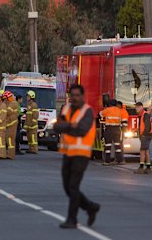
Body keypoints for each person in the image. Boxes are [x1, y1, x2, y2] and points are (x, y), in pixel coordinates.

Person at [53, 85, 100, 229]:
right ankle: (91, 207)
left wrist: (66, 127)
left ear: (83, 96)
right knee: (68, 188)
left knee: (73, 186)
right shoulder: (66, 109)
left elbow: (82, 130)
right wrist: (70, 125)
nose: (75, 98)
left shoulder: (87, 111)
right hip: (67, 153)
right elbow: (56, 127)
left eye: (77, 95)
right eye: (72, 95)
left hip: (81, 154)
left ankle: (72, 219)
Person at [99, 99, 124, 165]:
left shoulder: (107, 110)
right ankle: (120, 160)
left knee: (108, 145)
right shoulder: (119, 111)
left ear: (109, 104)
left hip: (109, 129)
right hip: (117, 129)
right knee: (117, 145)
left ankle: (107, 161)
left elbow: (100, 114)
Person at [134, 102, 152, 174]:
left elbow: (147, 126)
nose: (136, 108)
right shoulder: (143, 115)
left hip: (146, 135)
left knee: (142, 151)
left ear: (142, 107)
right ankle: (148, 167)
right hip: (147, 135)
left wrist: (144, 134)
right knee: (146, 151)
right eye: (136, 107)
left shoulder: (145, 115)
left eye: (138, 107)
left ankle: (141, 167)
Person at [4, 91, 19, 159]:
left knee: (10, 139)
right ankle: (9, 154)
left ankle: (11, 155)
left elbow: (8, 112)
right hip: (10, 123)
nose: (5, 100)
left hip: (11, 124)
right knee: (9, 139)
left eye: (5, 98)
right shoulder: (12, 103)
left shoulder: (12, 103)